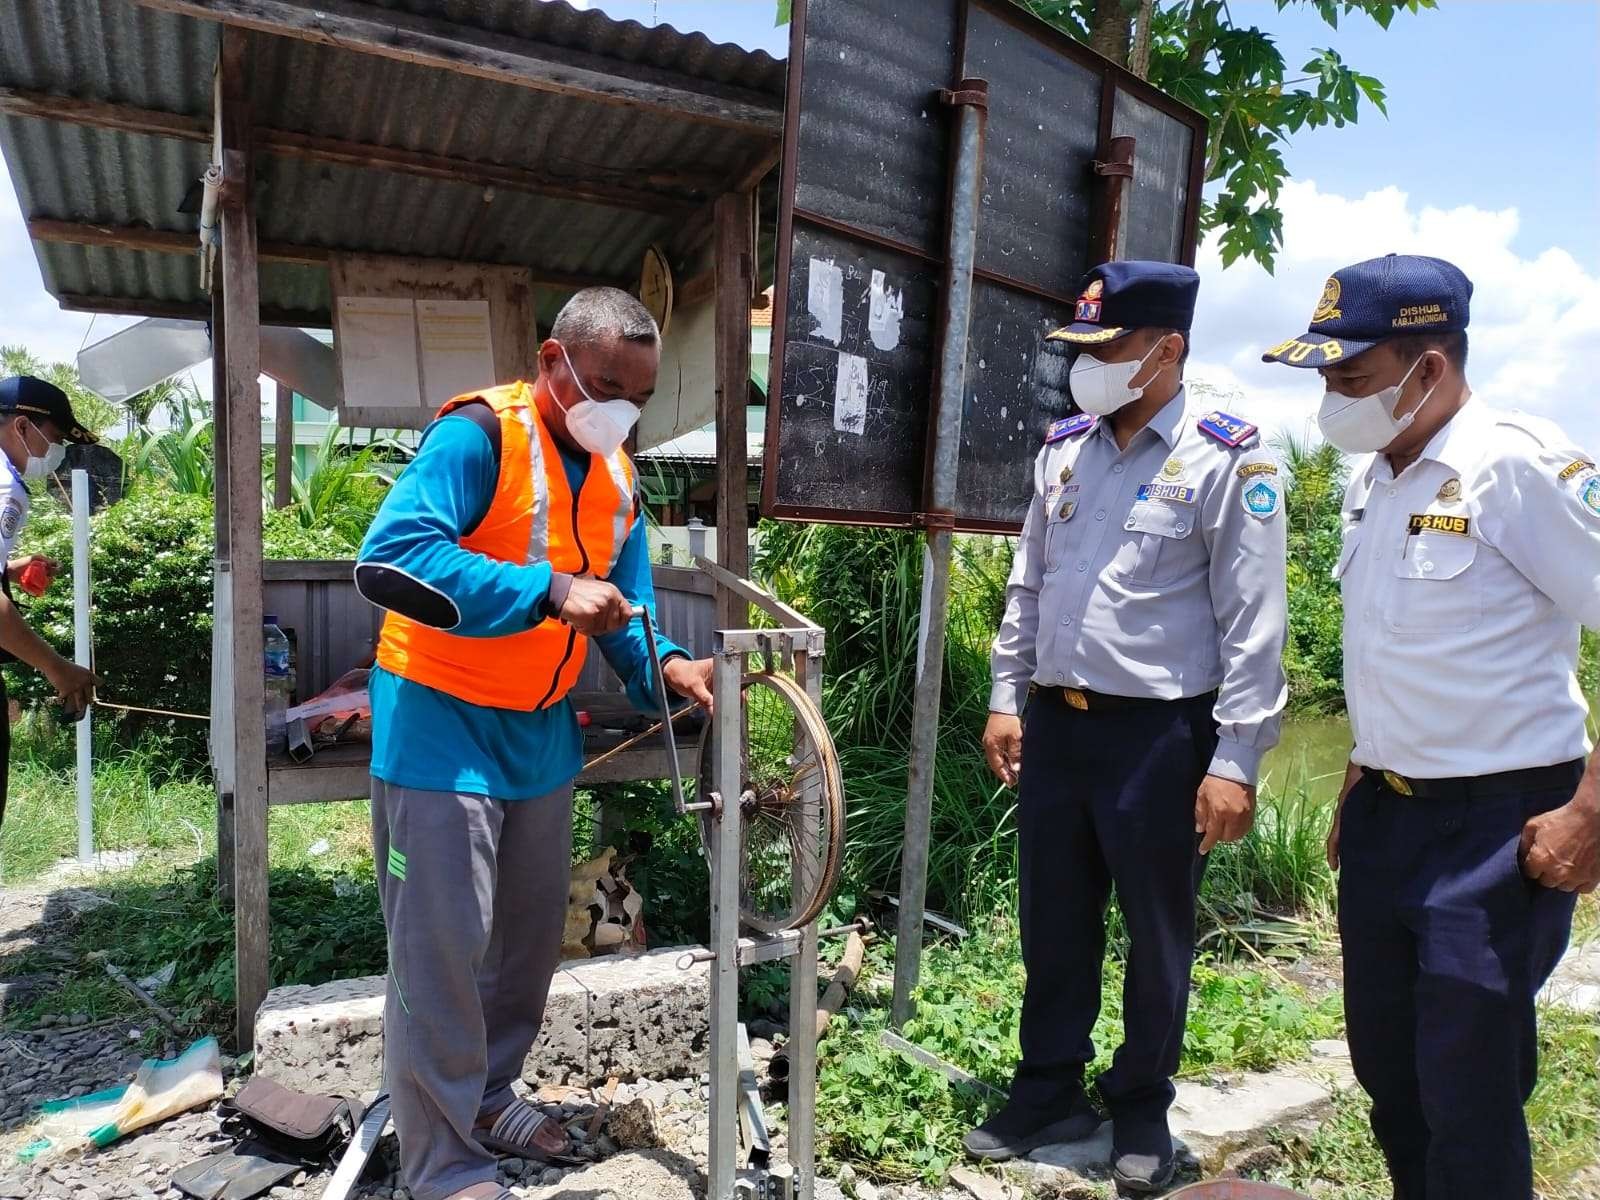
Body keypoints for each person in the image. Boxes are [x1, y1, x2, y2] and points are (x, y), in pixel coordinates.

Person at [354, 287, 714, 1200]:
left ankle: (485, 1095)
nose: (619, 410)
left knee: (522, 946)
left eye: (638, 395)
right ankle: (443, 1168)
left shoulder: (618, 476)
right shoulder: (478, 436)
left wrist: (668, 670)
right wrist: (549, 591)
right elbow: (394, 555)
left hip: (541, 735)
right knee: (442, 951)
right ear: (553, 361)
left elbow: (626, 611)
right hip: (442, 725)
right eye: (604, 385)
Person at [1264, 253, 1600, 1200]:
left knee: (1470, 1085)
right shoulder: (1379, 473)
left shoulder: (1517, 466)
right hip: (1388, 820)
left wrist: (1592, 810)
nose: (1332, 397)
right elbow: (1393, 650)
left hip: (1497, 831)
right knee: (1390, 1073)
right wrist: (1359, 776)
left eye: (1350, 376)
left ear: (1431, 370)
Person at [971, 262, 1288, 1192]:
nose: (1090, 366)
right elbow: (1029, 582)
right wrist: (1004, 693)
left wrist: (1236, 759)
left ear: (1167, 350)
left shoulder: (1229, 459)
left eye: (1108, 349)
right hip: (1059, 729)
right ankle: (1048, 1089)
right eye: (1084, 349)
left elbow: (1255, 625)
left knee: (1156, 931)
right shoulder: (1065, 450)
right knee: (1054, 921)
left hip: (1162, 738)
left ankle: (1142, 1101)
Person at [0, 376, 98, 834]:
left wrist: (11, 568)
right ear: (23, 426)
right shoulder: (5, 488)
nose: (54, 452)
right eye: (55, 439)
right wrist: (56, 667)